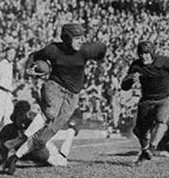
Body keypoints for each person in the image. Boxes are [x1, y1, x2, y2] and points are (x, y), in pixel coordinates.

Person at [3, 23, 107, 175]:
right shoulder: (53, 49)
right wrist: (28, 69)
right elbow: (34, 55)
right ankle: (20, 139)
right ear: (66, 38)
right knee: (51, 111)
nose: (80, 41)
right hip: (55, 85)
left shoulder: (86, 50)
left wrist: (101, 57)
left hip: (73, 95)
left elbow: (102, 48)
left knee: (44, 138)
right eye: (76, 38)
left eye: (81, 38)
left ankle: (15, 157)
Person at [0, 100, 76, 171]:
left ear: (28, 114)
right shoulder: (8, 129)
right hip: (27, 155)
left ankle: (65, 149)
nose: (22, 118)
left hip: (43, 151)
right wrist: (3, 162)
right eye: (20, 114)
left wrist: (15, 157)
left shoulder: (32, 125)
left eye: (24, 114)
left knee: (62, 162)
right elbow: (2, 146)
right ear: (15, 114)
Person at [0, 47, 15, 130]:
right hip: (1, 92)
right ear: (6, 53)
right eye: (10, 53)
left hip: (8, 93)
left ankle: (5, 136)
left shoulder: (11, 65)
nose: (11, 56)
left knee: (9, 114)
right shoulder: (2, 64)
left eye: (13, 54)